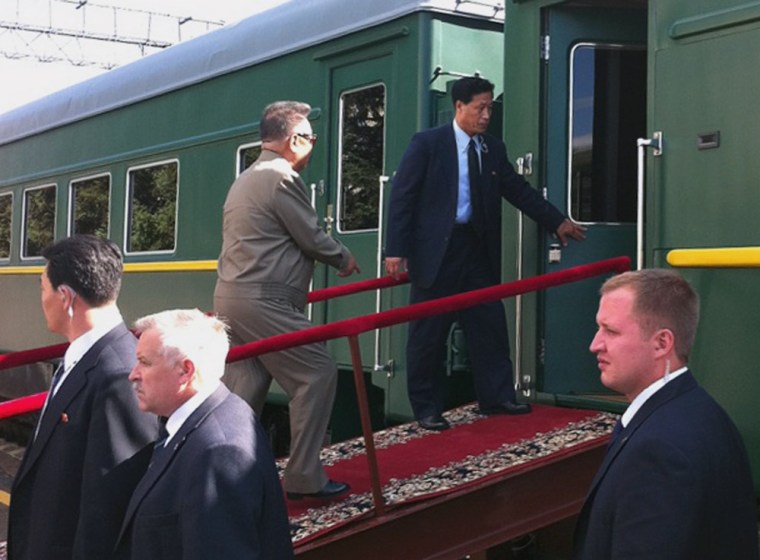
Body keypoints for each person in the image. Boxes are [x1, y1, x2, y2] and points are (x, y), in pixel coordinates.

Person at [385, 76, 586, 431]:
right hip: (438, 253)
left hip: (476, 249)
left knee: (489, 325)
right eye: (480, 107)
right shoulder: (428, 144)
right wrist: (396, 250)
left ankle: (497, 397)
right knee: (428, 333)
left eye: (490, 107)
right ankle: (427, 409)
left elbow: (518, 190)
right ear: (459, 107)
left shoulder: (492, 148)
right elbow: (402, 197)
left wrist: (557, 221)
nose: (486, 115)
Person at [214, 100, 360, 500]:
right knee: (317, 371)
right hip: (265, 299)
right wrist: (343, 257)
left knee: (245, 386)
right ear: (295, 139)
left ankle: (223, 478)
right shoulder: (280, 177)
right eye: (311, 138)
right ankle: (304, 477)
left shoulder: (247, 177)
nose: (313, 146)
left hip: (232, 296)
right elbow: (309, 235)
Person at [574, 269, 758, 559]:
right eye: (598, 328)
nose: (595, 344)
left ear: (662, 343)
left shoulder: (660, 450)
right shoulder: (701, 411)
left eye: (611, 331)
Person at [8, 234, 157, 560]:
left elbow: (109, 510)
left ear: (66, 297)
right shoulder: (91, 358)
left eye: (43, 289)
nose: (41, 299)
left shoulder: (119, 376)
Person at [113, 309, 293, 560]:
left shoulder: (219, 452)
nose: (133, 374)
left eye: (145, 362)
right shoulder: (200, 423)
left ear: (186, 371)